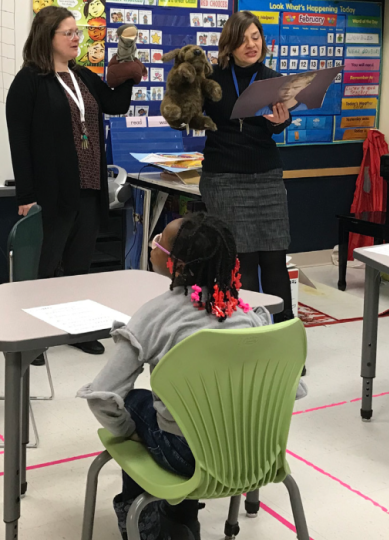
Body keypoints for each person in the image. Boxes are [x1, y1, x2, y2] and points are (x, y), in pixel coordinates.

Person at [77, 213, 308, 540]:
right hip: (258, 455)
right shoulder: (248, 314)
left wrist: (130, 432)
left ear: (178, 266)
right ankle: (181, 515)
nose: (153, 242)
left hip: (185, 456)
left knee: (135, 402)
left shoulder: (156, 315)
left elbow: (103, 396)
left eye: (159, 241)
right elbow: (292, 391)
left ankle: (148, 523)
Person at [7, 6, 135, 356]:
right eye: (68, 33)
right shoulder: (29, 80)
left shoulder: (81, 75)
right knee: (45, 266)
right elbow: (19, 141)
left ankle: (76, 330)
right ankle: (33, 337)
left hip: (90, 186)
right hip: (52, 190)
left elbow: (114, 105)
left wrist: (128, 75)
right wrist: (27, 194)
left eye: (76, 31)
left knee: (80, 264)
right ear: (47, 38)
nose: (76, 38)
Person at [201, 11, 295, 322]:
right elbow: (188, 115)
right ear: (229, 44)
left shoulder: (272, 79)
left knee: (274, 258)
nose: (251, 44)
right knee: (241, 260)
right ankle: (251, 332)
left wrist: (281, 122)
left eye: (255, 37)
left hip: (266, 178)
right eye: (243, 39)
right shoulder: (211, 79)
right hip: (225, 179)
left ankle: (283, 336)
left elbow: (274, 128)